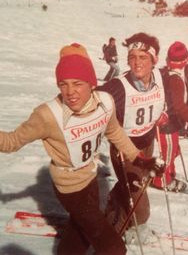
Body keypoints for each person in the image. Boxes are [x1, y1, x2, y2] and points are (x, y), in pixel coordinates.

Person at [0, 42, 164, 255]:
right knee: (114, 248)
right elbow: (11, 141)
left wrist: (140, 159)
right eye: (63, 84)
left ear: (91, 83)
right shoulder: (48, 115)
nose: (70, 92)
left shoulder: (105, 102)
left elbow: (114, 132)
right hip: (70, 188)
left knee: (78, 236)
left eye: (77, 83)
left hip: (90, 179)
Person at [97, 32, 165, 244]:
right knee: (140, 203)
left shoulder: (162, 77)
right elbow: (91, 100)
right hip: (125, 150)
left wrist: (165, 113)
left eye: (143, 57)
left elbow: (169, 97)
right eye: (132, 57)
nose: (136, 63)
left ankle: (114, 204)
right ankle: (111, 237)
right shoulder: (118, 87)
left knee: (135, 187)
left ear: (154, 60)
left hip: (147, 144)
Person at [152, 41, 188, 192]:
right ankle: (162, 181)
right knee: (168, 152)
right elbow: (178, 105)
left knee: (173, 150)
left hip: (170, 122)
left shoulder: (168, 74)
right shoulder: (175, 79)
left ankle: (169, 173)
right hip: (168, 123)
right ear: (184, 61)